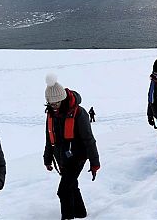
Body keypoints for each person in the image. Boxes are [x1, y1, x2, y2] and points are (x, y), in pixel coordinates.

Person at [43, 74, 100, 220]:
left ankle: (68, 217)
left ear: (62, 99)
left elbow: (89, 140)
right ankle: (81, 213)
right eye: (51, 103)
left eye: (56, 103)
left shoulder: (79, 113)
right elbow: (49, 138)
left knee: (63, 191)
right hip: (62, 158)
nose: (54, 106)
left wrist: (94, 163)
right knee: (71, 186)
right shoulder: (51, 113)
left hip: (77, 157)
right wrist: (47, 159)